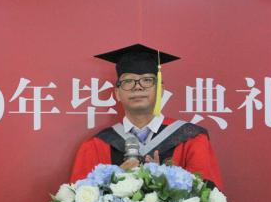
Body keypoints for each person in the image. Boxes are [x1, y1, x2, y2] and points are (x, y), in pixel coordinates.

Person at [70, 43, 223, 189]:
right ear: (117, 93)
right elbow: (78, 200)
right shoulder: (96, 145)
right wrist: (115, 180)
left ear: (161, 89)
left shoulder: (191, 139)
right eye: (128, 81)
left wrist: (165, 185)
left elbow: (207, 198)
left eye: (147, 80)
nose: (138, 87)